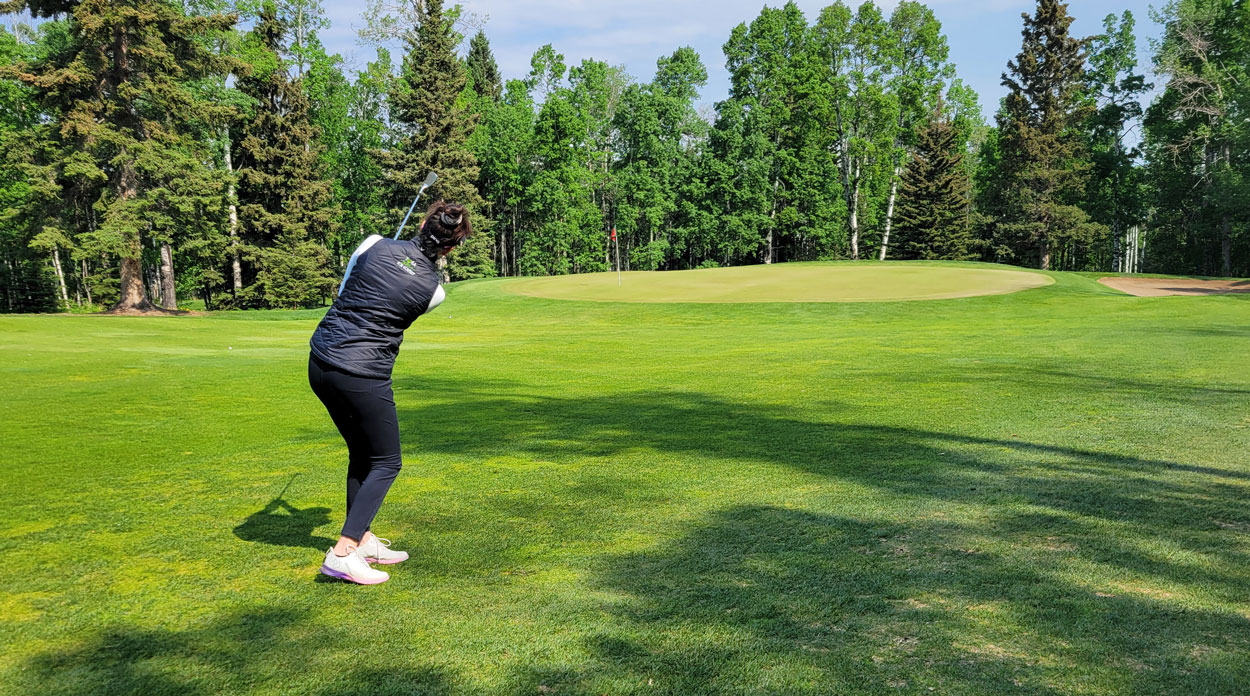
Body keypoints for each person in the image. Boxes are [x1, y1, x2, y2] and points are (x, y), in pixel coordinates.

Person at [307, 201, 472, 585]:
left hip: (320, 362)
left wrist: (385, 255)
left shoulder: (373, 243)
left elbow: (348, 285)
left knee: (361, 454)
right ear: (450, 249)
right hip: (362, 374)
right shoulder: (435, 292)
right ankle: (344, 552)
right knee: (386, 462)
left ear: (421, 221)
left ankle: (362, 538)